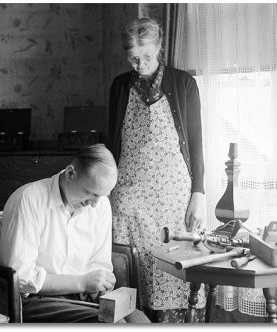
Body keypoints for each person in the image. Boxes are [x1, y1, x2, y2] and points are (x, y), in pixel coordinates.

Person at [107, 17, 206, 323]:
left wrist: (198, 192)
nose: (140, 64)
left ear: (160, 47)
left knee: (173, 270)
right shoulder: (120, 86)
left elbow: (197, 142)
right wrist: (105, 191)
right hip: (128, 195)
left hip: (172, 195)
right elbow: (113, 143)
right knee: (130, 274)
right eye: (133, 58)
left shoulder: (184, 83)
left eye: (147, 57)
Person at [0, 144, 150, 323]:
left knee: (139, 320)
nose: (94, 203)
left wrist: (101, 284)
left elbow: (98, 264)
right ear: (70, 173)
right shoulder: (28, 199)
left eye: (102, 195)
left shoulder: (100, 205)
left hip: (82, 297)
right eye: (89, 192)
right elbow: (22, 278)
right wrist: (84, 282)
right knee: (110, 323)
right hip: (34, 300)